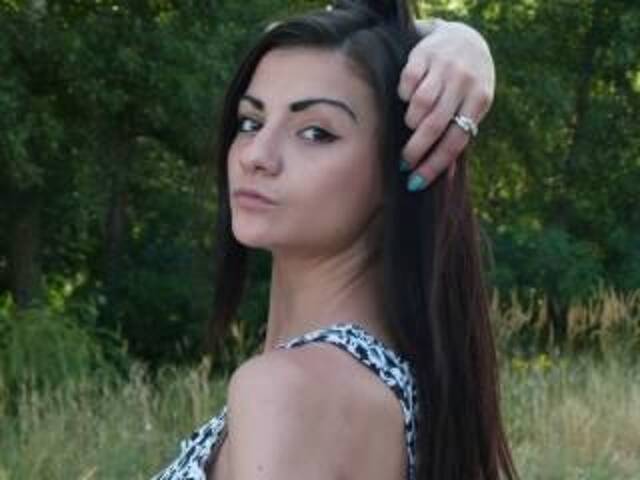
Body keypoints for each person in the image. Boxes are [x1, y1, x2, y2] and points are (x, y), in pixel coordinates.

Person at [152, 1, 516, 480]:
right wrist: (460, 38)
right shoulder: (384, 382)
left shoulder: (292, 392)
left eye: (315, 132)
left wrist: (462, 42)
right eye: (251, 122)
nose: (257, 155)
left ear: (401, 164)